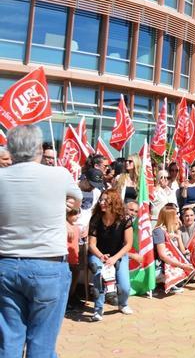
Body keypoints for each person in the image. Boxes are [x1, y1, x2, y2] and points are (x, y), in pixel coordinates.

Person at [0, 125, 81, 356]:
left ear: (11, 150)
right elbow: (76, 201)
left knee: (9, 340)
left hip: (6, 264)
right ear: (38, 149)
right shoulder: (59, 174)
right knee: (42, 343)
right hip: (48, 267)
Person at [88, 187, 134, 321]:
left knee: (125, 287)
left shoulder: (125, 219)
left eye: (105, 200)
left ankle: (123, 304)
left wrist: (114, 258)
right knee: (98, 275)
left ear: (114, 202)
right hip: (98, 254)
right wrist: (101, 256)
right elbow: (91, 244)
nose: (101, 202)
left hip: (119, 254)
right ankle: (98, 310)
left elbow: (128, 244)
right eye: (101, 200)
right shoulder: (95, 219)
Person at [153, 204, 193, 294]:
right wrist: (182, 266)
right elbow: (163, 256)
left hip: (167, 262)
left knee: (186, 273)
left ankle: (165, 282)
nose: (178, 217)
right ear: (169, 217)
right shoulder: (158, 231)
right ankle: (159, 283)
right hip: (158, 265)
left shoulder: (169, 230)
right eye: (176, 214)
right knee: (181, 276)